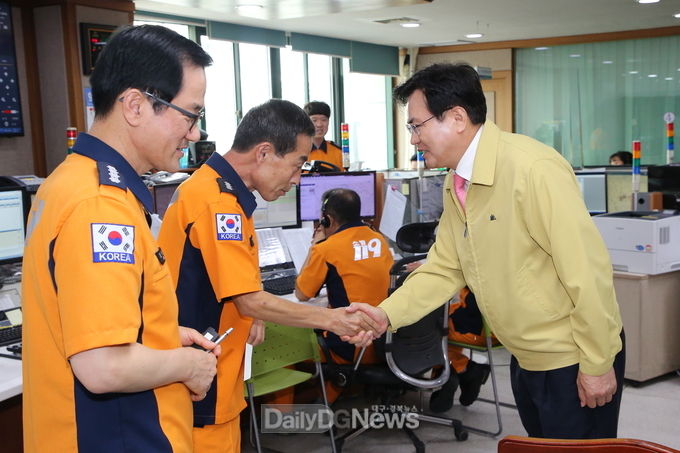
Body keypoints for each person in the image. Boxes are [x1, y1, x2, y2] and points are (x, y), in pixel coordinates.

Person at [347, 63, 625, 439]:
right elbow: (445, 267)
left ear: (457, 118)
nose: (413, 139)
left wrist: (597, 362)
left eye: (416, 125)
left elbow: (587, 271)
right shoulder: (458, 181)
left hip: (572, 358)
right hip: (525, 355)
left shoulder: (532, 169)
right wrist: (384, 315)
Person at [21, 25, 220, 452]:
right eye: (191, 114)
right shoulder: (100, 206)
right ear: (135, 105)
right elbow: (103, 366)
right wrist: (189, 365)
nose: (195, 134)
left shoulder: (68, 182)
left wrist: (161, 335)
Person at [157, 99, 378, 453]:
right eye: (296, 165)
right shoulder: (219, 205)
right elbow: (247, 299)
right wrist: (332, 320)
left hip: (212, 370)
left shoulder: (216, 190)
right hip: (200, 378)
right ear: (264, 153)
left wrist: (253, 313)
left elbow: (234, 285)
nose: (297, 178)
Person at [293, 188, 393, 402]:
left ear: (327, 219)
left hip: (353, 345)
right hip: (387, 343)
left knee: (287, 345)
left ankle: (284, 417)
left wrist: (314, 246)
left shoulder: (326, 249)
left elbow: (301, 293)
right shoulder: (379, 240)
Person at [303, 101, 344, 171]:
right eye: (314, 120)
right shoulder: (297, 151)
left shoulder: (338, 152)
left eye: (323, 120)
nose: (319, 124)